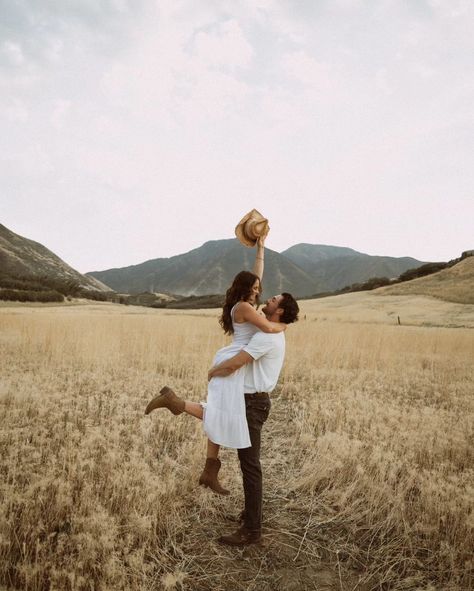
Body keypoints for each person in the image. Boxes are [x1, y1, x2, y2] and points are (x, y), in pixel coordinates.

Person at [144, 235, 287, 495]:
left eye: (258, 289)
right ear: (245, 288)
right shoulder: (244, 307)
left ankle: (206, 465)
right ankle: (175, 406)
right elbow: (267, 326)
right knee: (222, 413)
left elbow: (257, 275)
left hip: (231, 358)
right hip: (231, 361)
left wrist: (261, 249)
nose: (258, 291)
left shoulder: (243, 303)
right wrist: (284, 324)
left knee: (221, 411)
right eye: (254, 288)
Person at [209, 292, 299, 546]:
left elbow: (235, 363)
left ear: (279, 311)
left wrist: (213, 371)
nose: (267, 300)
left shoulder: (265, 337)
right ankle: (250, 516)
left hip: (252, 404)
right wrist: (259, 251)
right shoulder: (271, 330)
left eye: (274, 300)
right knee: (249, 463)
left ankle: (252, 530)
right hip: (251, 401)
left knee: (250, 466)